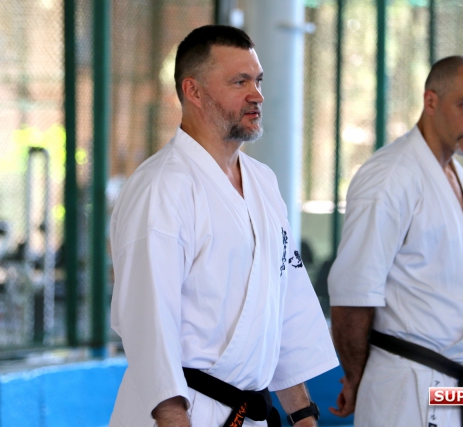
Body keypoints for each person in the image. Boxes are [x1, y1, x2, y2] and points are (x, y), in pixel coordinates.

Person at [109, 25, 338, 427]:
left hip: (249, 412)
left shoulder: (263, 182)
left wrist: (302, 414)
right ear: (193, 91)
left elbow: (284, 307)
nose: (257, 95)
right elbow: (149, 326)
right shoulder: (162, 188)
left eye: (258, 81)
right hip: (182, 411)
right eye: (240, 82)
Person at [327, 56, 463, 427]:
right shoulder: (391, 175)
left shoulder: (454, 173)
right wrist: (355, 377)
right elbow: (353, 293)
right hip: (405, 387)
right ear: (430, 101)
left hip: (453, 381)